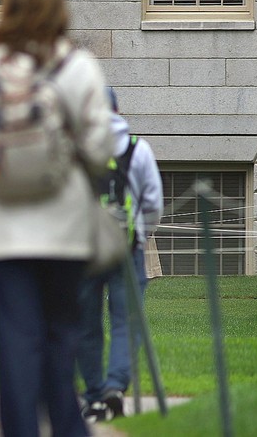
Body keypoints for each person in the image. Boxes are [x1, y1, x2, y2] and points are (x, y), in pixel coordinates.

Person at [0, 0, 113, 437]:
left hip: (6, 227)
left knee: (16, 339)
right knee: (63, 335)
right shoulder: (77, 65)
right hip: (66, 227)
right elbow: (101, 145)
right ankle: (68, 427)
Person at [77, 88, 164, 422]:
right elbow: (153, 202)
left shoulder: (76, 148)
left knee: (86, 324)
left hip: (85, 249)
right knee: (126, 321)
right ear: (117, 110)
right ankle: (115, 385)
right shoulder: (137, 148)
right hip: (127, 248)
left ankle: (93, 396)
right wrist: (140, 233)